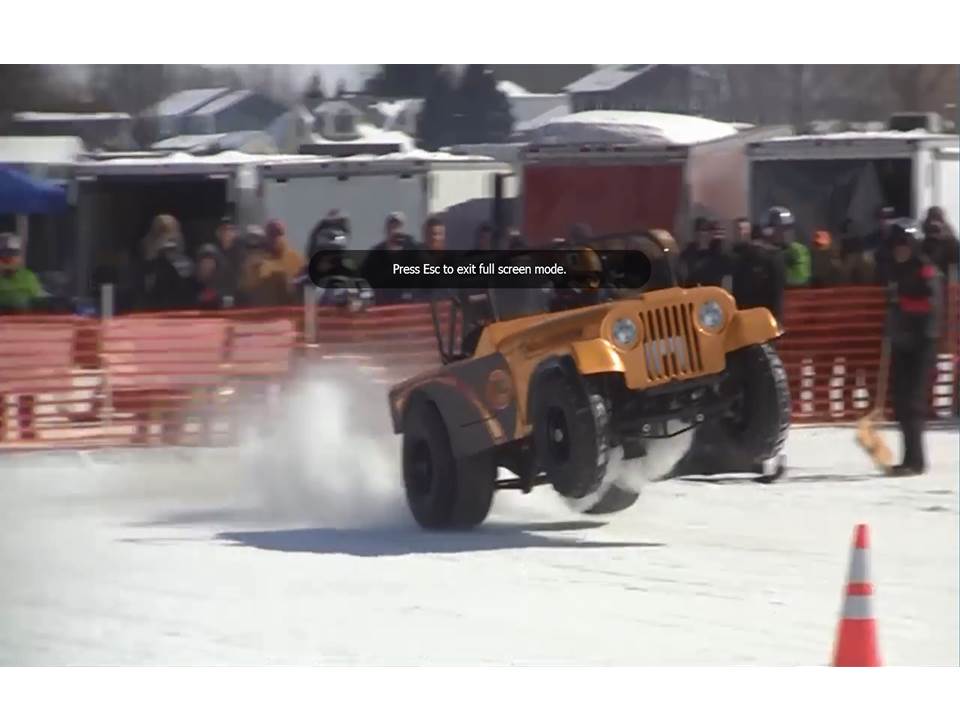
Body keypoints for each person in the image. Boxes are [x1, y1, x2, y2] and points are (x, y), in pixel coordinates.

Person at [885, 219, 943, 476]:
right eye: (896, 246)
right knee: (899, 402)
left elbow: (929, 307)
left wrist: (902, 303)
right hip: (902, 342)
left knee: (912, 403)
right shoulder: (898, 270)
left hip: (922, 343)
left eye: (904, 246)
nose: (900, 251)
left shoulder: (925, 270)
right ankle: (907, 457)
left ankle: (917, 461)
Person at [730, 220, 786, 323]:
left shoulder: (740, 258)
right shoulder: (775, 257)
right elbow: (777, 290)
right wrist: (777, 317)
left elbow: (736, 289)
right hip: (767, 313)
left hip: (746, 312)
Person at [359, 212, 419, 304]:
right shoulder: (375, 254)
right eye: (392, 227)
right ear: (386, 230)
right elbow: (363, 278)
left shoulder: (413, 251)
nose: (395, 231)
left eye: (398, 227)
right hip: (383, 306)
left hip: (408, 306)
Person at [241, 220, 305, 307]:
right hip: (267, 308)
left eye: (279, 235)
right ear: (267, 238)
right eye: (273, 236)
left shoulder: (295, 257)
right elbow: (248, 286)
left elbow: (303, 280)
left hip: (290, 307)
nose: (276, 239)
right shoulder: (258, 259)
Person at [766, 206, 810, 288]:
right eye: (781, 228)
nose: (786, 232)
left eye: (788, 227)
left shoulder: (798, 250)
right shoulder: (761, 252)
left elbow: (799, 279)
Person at [680, 217, 730, 288]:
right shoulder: (687, 254)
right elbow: (684, 277)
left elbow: (727, 271)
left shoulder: (717, 255)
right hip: (693, 294)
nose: (703, 234)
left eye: (707, 230)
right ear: (695, 233)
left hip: (713, 295)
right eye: (701, 230)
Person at [0, 233, 43, 313]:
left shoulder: (28, 276)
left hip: (24, 321)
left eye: (14, 253)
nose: (8, 258)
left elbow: (40, 301)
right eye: (4, 253)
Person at [213, 215, 244, 304]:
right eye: (224, 230)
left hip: (239, 297)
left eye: (230, 229)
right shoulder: (213, 253)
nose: (227, 233)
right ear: (218, 233)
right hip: (218, 298)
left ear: (236, 233)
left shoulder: (241, 253)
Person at [866, 206, 897, 285]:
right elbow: (868, 257)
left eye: (889, 218)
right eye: (883, 218)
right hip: (878, 275)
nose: (886, 221)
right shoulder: (871, 238)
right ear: (879, 220)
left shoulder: (900, 238)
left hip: (896, 276)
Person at [189, 244, 226, 310]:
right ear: (199, 264)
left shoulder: (224, 285)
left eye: (210, 261)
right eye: (204, 261)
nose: (207, 265)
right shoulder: (190, 284)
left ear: (216, 264)